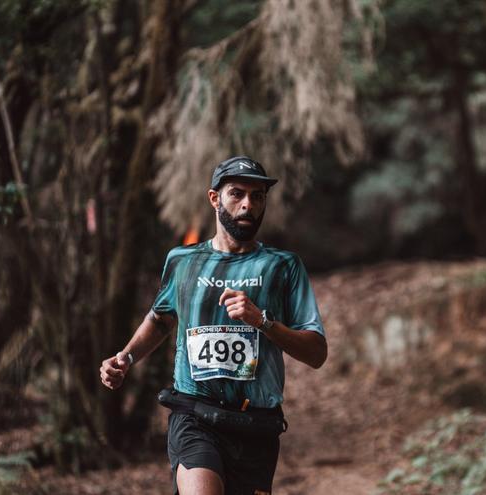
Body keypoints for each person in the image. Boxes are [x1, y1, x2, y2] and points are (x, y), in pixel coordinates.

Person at [99, 155, 328, 495]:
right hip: (195, 415)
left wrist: (263, 322)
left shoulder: (282, 267)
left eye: (257, 196)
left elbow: (316, 353)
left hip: (257, 427)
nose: (248, 204)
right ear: (214, 198)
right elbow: (161, 319)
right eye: (237, 193)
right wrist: (126, 358)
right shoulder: (183, 261)